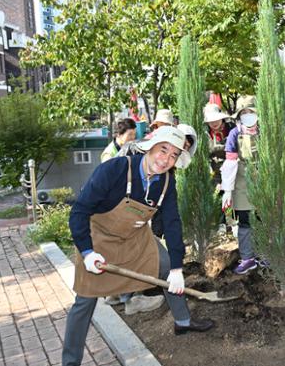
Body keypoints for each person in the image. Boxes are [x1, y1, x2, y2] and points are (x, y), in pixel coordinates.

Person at [62, 126, 214, 366]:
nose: (166, 160)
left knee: (165, 264)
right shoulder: (114, 169)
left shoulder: (165, 182)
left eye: (174, 155)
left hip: (135, 237)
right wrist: (87, 252)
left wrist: (176, 269)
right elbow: (79, 211)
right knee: (85, 300)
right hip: (98, 238)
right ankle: (70, 362)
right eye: (163, 150)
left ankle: (182, 321)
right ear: (150, 147)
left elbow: (173, 223)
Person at [101, 117, 165, 314]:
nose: (131, 139)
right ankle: (132, 299)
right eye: (129, 136)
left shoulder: (124, 150)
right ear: (118, 136)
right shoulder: (114, 154)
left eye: (133, 136)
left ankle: (115, 293)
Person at [220, 96, 262, 274]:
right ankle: (247, 257)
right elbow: (230, 163)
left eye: (250, 112)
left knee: (263, 219)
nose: (248, 115)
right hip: (241, 182)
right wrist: (227, 190)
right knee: (245, 221)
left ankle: (264, 255)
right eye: (244, 113)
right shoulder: (235, 133)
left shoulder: (264, 131)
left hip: (263, 180)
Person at [203, 103, 235, 232]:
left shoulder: (232, 129)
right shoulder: (205, 133)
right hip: (215, 170)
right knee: (218, 195)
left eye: (216, 119)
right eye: (210, 121)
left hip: (232, 167)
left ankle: (233, 221)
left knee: (234, 195)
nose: (214, 123)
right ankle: (221, 222)